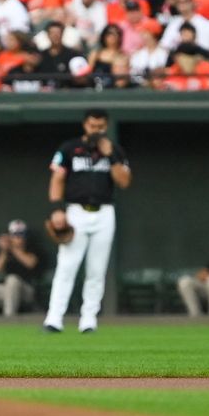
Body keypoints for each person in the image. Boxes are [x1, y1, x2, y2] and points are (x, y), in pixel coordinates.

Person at [44, 108, 131, 333]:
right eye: (93, 126)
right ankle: (54, 319)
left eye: (101, 126)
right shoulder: (70, 148)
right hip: (76, 211)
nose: (97, 130)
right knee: (67, 266)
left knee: (96, 269)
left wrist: (110, 155)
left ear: (107, 126)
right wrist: (56, 209)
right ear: (85, 125)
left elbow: (124, 182)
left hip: (104, 212)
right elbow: (58, 178)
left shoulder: (115, 150)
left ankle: (89, 320)